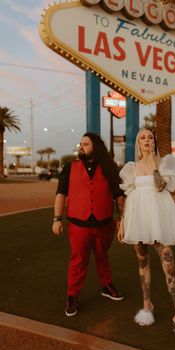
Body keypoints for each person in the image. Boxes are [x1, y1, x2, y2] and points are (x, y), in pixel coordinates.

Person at [117, 128, 175, 341]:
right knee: (142, 260)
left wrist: (154, 166)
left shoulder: (164, 163)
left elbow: (162, 187)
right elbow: (130, 194)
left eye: (150, 137)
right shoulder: (131, 168)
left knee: (169, 265)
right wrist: (123, 222)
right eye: (142, 137)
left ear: (154, 141)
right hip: (138, 218)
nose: (146, 140)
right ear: (137, 143)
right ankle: (147, 305)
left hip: (160, 218)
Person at [52, 132, 124, 317]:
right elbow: (61, 193)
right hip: (78, 225)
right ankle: (72, 296)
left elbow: (119, 196)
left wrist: (122, 219)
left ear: (96, 147)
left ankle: (107, 286)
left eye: (86, 144)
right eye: (81, 144)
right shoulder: (70, 168)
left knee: (102, 256)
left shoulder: (109, 168)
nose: (82, 147)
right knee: (78, 261)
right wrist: (57, 218)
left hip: (104, 223)